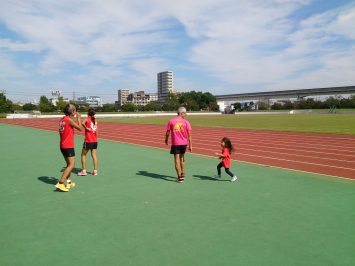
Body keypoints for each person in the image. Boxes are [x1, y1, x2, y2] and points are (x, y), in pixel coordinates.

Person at [56, 104, 82, 192]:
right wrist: (79, 118)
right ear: (72, 111)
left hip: (62, 145)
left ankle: (69, 182)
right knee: (71, 165)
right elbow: (80, 128)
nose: (76, 112)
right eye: (75, 110)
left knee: (68, 165)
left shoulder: (62, 119)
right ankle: (60, 183)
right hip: (68, 146)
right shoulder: (68, 120)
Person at [165, 107, 192, 183]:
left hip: (176, 143)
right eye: (185, 113)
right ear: (181, 113)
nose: (185, 114)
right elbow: (189, 135)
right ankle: (183, 173)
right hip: (184, 143)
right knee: (182, 158)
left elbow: (167, 132)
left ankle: (179, 177)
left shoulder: (171, 121)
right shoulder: (186, 122)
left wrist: (166, 140)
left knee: (176, 160)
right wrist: (190, 145)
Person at [78, 108, 98, 176]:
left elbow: (82, 123)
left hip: (88, 140)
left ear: (88, 113)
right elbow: (96, 130)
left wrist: (86, 128)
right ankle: (95, 171)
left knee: (83, 155)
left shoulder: (88, 119)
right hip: (95, 140)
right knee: (94, 156)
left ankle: (84, 171)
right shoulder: (95, 120)